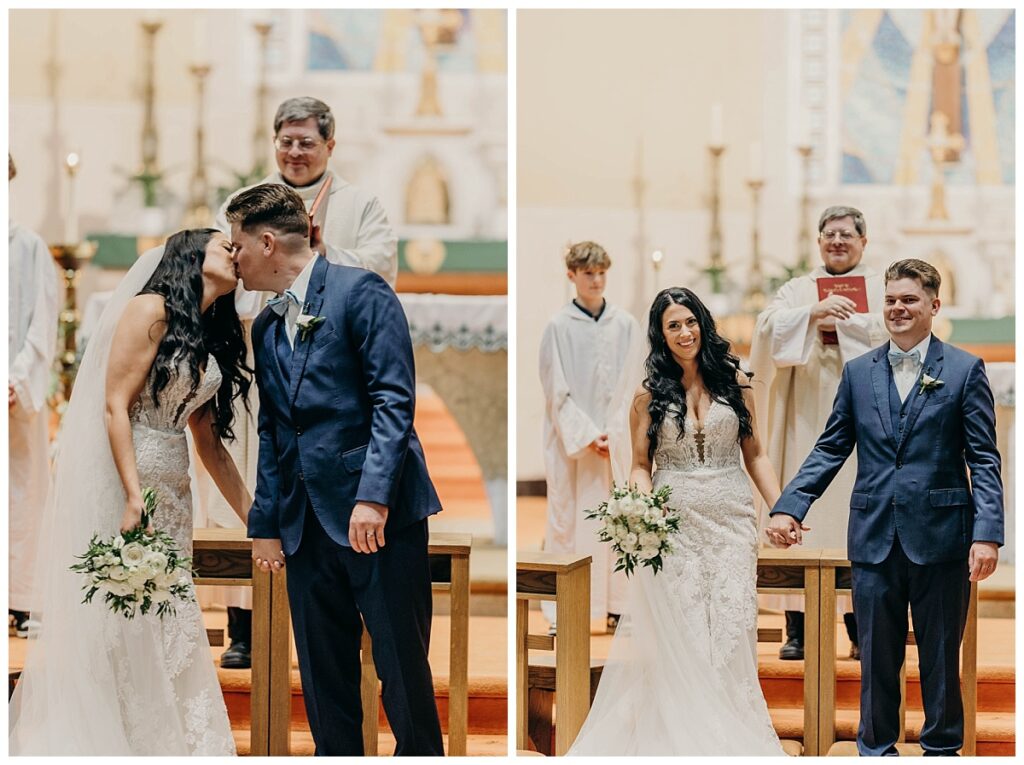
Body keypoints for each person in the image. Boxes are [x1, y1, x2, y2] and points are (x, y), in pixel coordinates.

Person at [9, 229, 254, 754]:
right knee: (126, 609)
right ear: (191, 256)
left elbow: (208, 442)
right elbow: (114, 406)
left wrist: (253, 517)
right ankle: (120, 732)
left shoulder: (208, 328)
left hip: (175, 482)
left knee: (169, 607)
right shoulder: (150, 310)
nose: (234, 254)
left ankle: (168, 733)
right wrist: (131, 493)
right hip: (130, 476)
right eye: (222, 246)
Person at [227, 184, 444, 756]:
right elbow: (274, 431)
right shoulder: (268, 326)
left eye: (238, 245)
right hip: (303, 523)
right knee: (324, 678)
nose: (234, 258)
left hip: (378, 516)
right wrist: (265, 522)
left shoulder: (361, 292)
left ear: (268, 242)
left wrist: (373, 497)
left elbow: (393, 401)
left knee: (400, 668)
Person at [768, 259, 1003, 756]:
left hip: (943, 536)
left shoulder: (963, 370)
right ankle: (875, 749)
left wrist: (987, 533)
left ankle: (942, 749)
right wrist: (790, 506)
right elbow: (831, 447)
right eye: (891, 300)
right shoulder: (858, 373)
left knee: (940, 656)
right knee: (876, 656)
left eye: (909, 300)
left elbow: (983, 458)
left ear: (933, 306)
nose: (897, 309)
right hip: (874, 535)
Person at [212, 95, 398, 669]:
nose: (295, 152)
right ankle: (245, 624)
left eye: (307, 143)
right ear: (274, 143)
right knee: (255, 476)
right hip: (261, 354)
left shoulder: (361, 203)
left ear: (330, 146)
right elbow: (225, 271)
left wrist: (315, 251)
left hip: (332, 368)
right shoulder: (243, 202)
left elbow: (381, 272)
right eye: (286, 141)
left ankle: (345, 621)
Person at [567, 288, 784, 756]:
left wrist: (781, 507)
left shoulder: (738, 383)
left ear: (703, 323)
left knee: (729, 625)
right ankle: (686, 736)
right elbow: (640, 465)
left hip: (732, 519)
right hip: (675, 523)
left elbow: (757, 454)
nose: (684, 332)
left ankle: (730, 731)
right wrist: (642, 509)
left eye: (690, 322)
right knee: (685, 632)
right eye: (673, 326)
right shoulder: (648, 396)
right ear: (660, 335)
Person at [749, 205, 888, 660]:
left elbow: (899, 329)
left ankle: (859, 629)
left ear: (863, 241)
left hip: (867, 418)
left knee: (855, 519)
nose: (837, 241)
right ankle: (798, 629)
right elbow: (767, 327)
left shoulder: (882, 285)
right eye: (829, 234)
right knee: (805, 514)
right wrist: (810, 314)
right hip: (807, 418)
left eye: (847, 234)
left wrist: (846, 322)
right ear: (819, 240)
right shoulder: (798, 289)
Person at [539, 241, 644, 633]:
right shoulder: (558, 326)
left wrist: (616, 433)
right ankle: (566, 609)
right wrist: (588, 435)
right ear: (572, 276)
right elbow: (556, 389)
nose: (596, 280)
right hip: (575, 446)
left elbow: (634, 383)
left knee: (624, 519)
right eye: (588, 274)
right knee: (570, 521)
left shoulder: (625, 324)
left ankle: (620, 606)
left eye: (601, 273)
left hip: (618, 441)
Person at [8, 154, 59, 638]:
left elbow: (42, 327)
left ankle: (20, 600)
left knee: (20, 495)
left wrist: (15, 381)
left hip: (12, 398)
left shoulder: (27, 247)